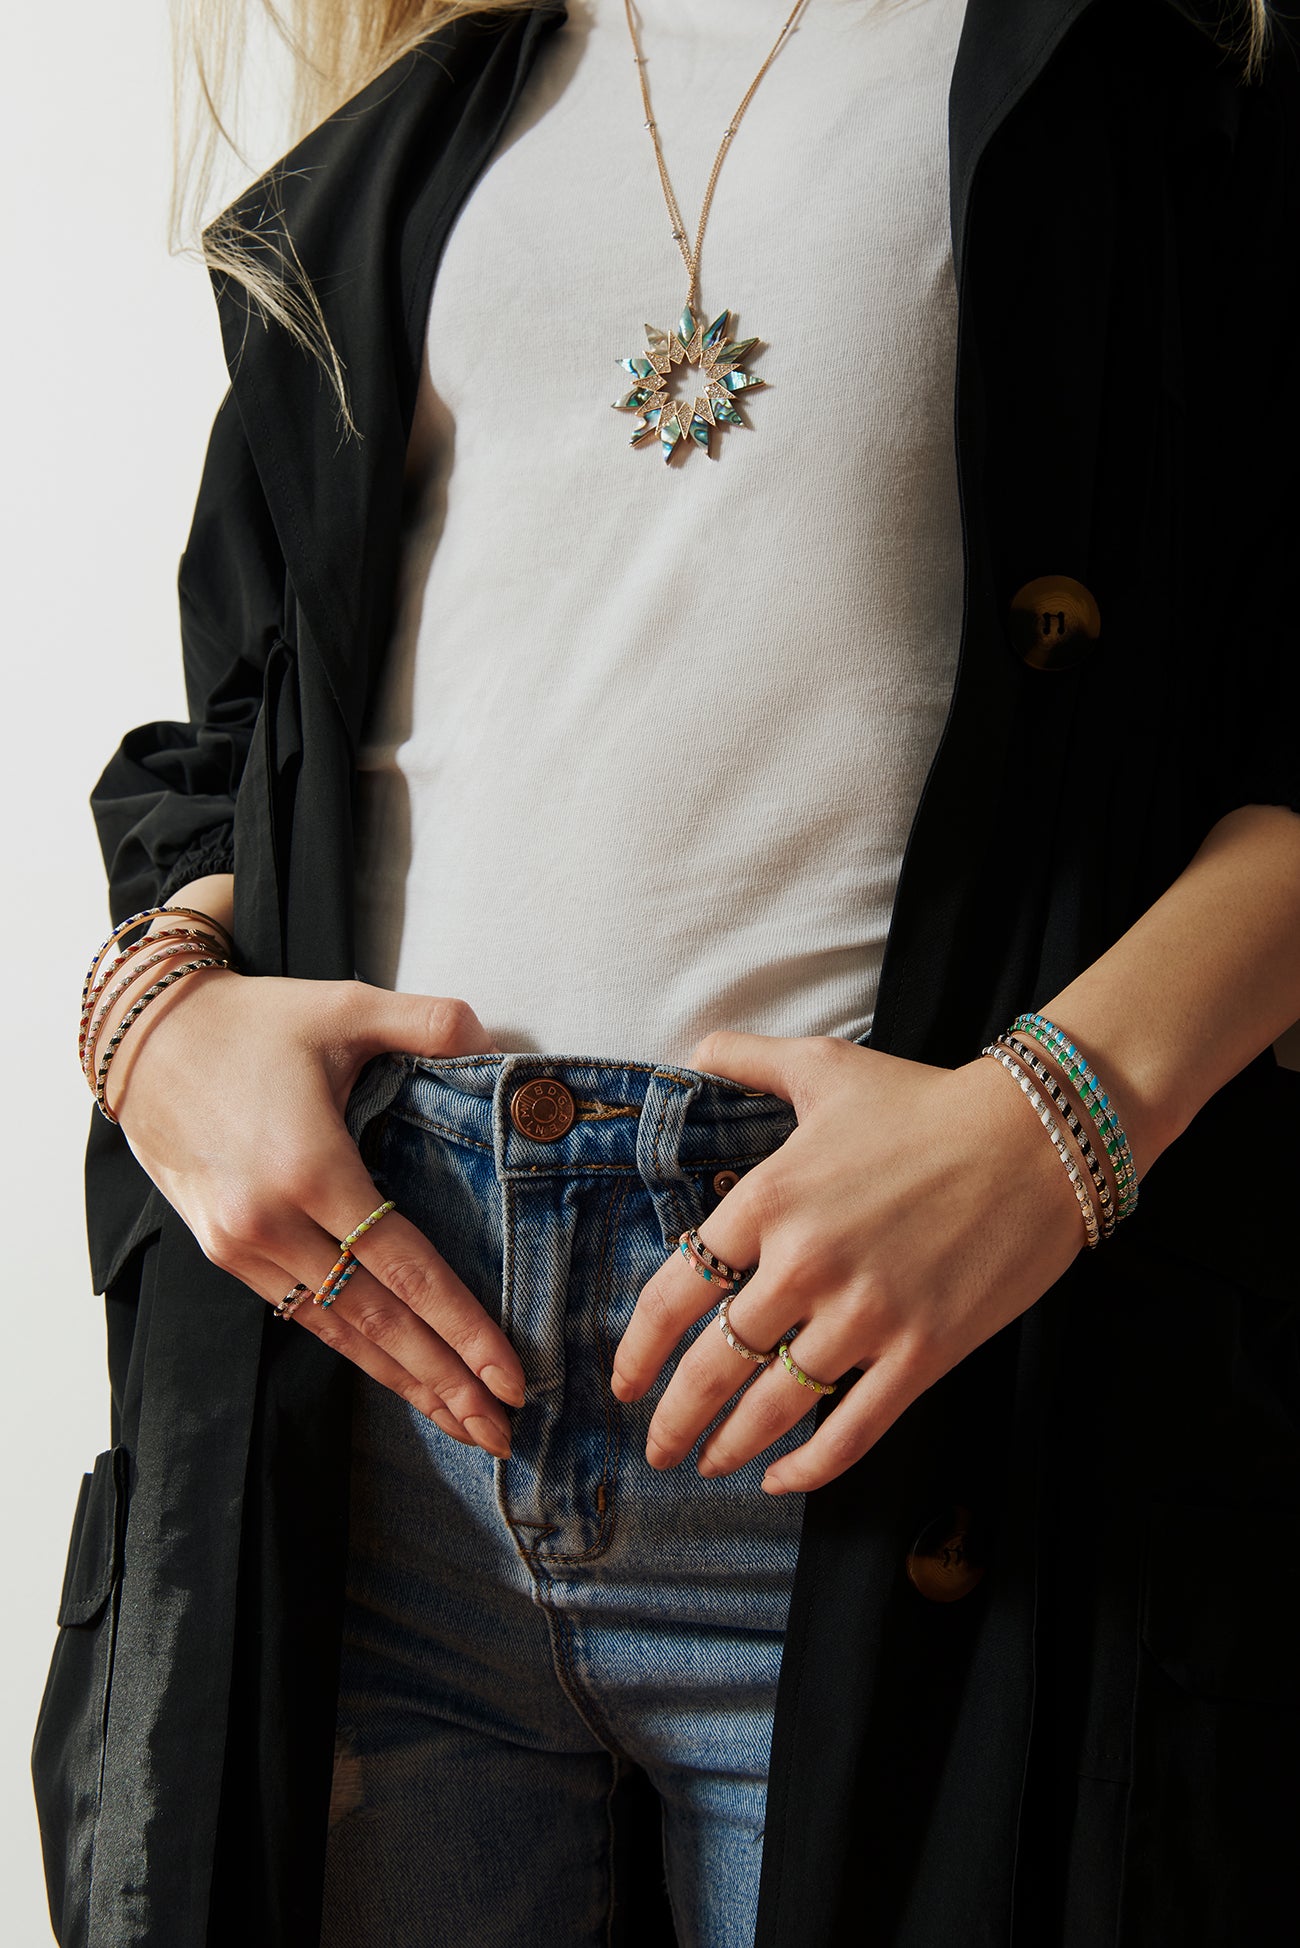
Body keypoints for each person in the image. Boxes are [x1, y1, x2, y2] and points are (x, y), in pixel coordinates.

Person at [32, 1, 1300, 1944]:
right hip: (367, 1420)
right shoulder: (426, 112)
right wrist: (158, 1021)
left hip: (918, 1419)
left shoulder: (1181, 76)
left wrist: (1059, 1124)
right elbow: (238, 733)